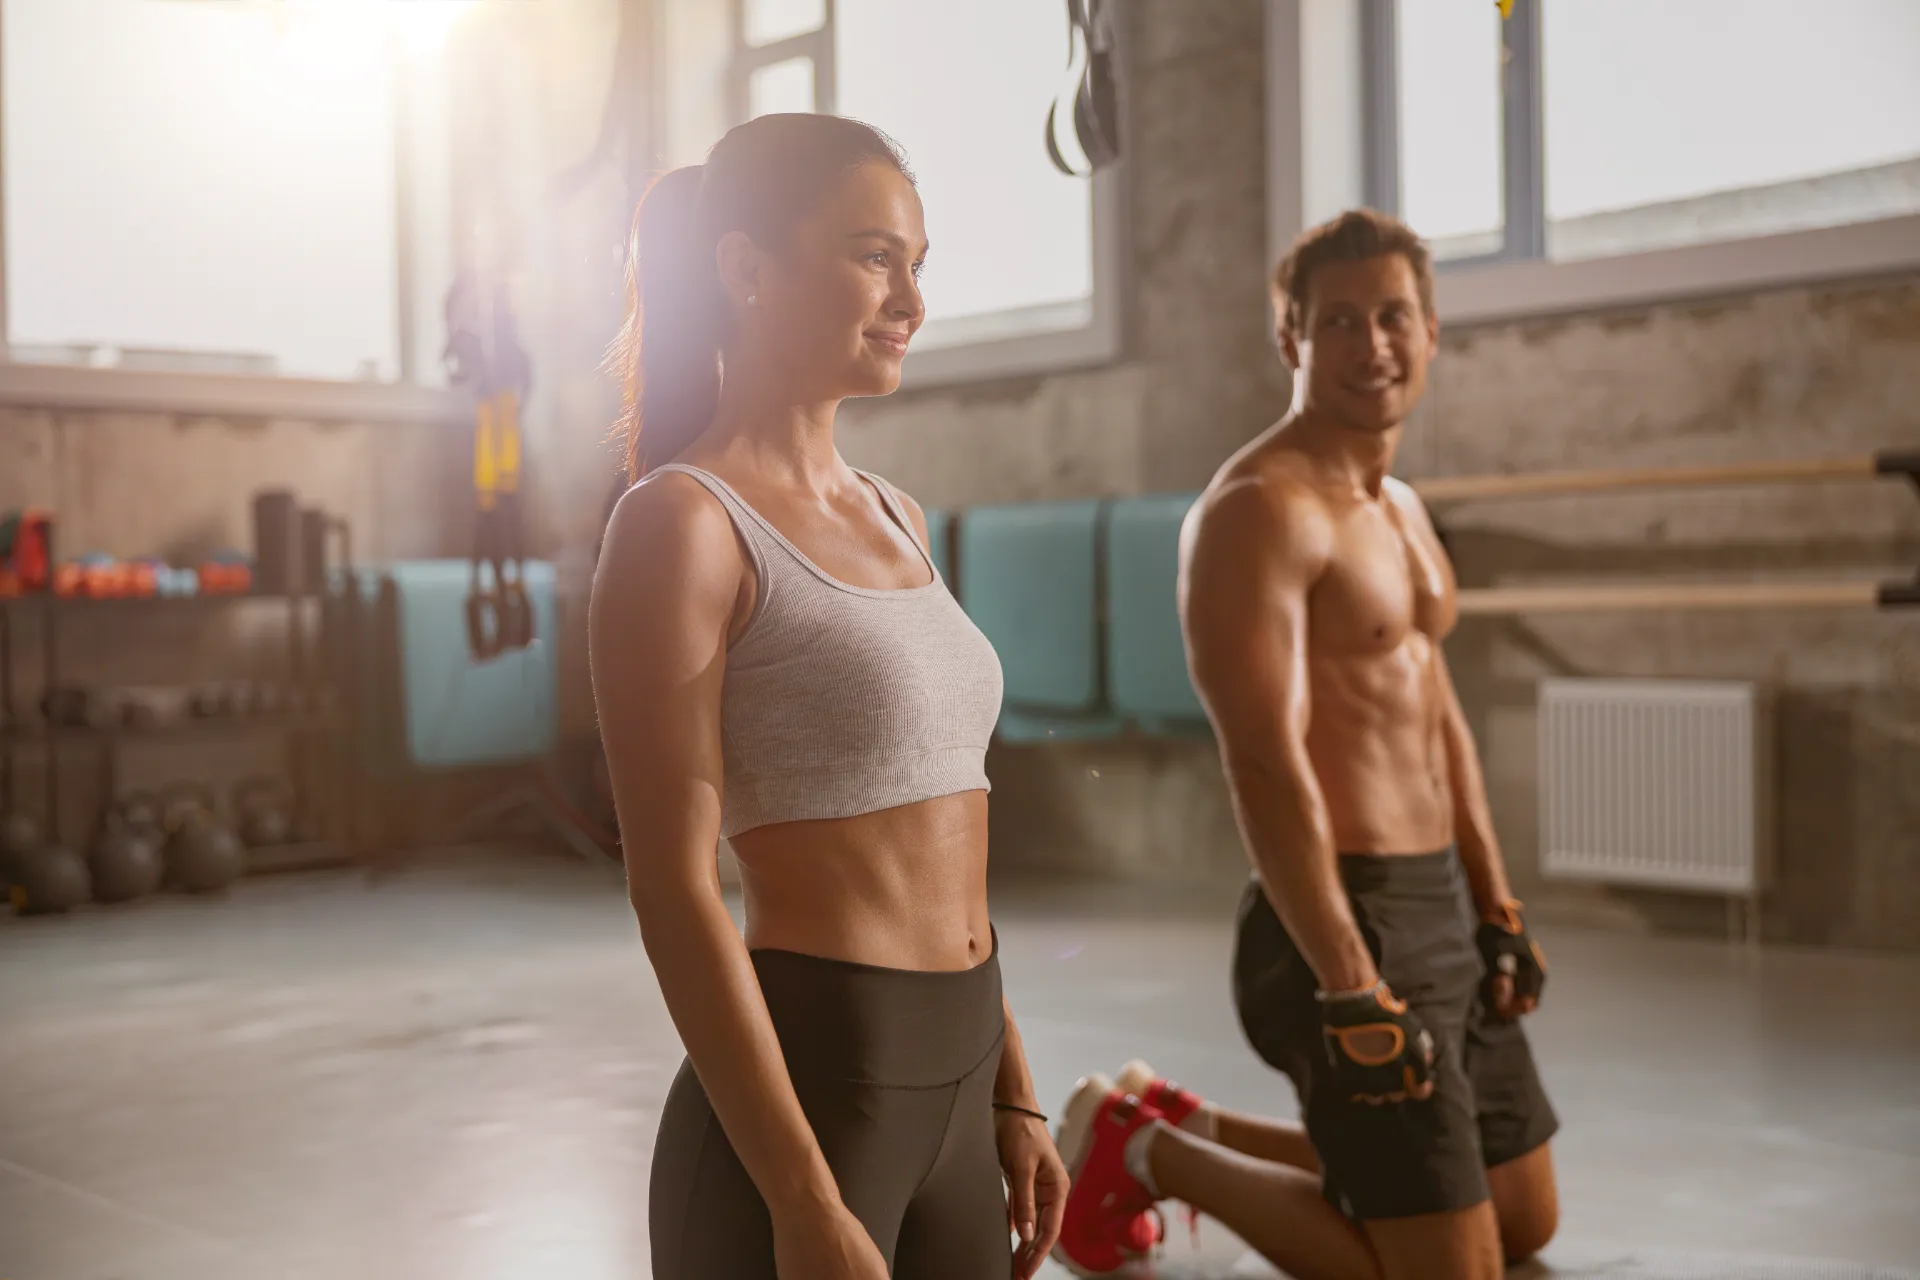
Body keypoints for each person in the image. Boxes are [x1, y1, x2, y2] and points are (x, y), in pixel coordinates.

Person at [589, 113, 1067, 1280]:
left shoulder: (897, 510)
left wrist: (1015, 1089)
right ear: (746, 268)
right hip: (810, 1095)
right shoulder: (681, 525)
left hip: (960, 1077)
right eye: (873, 256)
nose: (909, 297)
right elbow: (673, 888)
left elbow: (948, 827)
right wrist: (799, 1194)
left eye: (917, 263)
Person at [1049, 209, 1559, 1280]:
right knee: (1453, 1271)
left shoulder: (1405, 510)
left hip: (1443, 904)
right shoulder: (1258, 509)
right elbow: (1264, 758)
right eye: (1338, 321)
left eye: (1393, 316)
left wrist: (1495, 900)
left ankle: (1169, 1118)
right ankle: (1141, 1149)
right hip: (1347, 905)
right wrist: (1347, 977)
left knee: (1523, 1221)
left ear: (1431, 331)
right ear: (1290, 337)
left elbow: (1439, 716)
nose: (1371, 344)